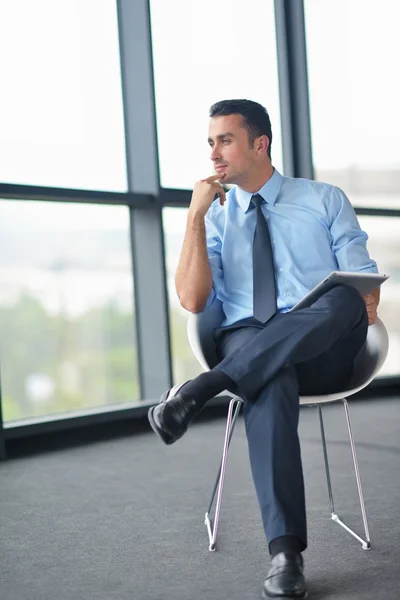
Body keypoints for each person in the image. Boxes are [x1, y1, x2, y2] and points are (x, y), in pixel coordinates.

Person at [148, 99, 380, 599]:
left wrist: (359, 295)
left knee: (341, 296)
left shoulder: (323, 199)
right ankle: (285, 555)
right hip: (248, 338)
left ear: (260, 144)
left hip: (325, 346)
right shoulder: (215, 217)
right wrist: (193, 217)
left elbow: (362, 286)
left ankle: (201, 389)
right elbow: (192, 298)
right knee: (269, 376)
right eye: (210, 142)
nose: (214, 154)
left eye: (225, 140)